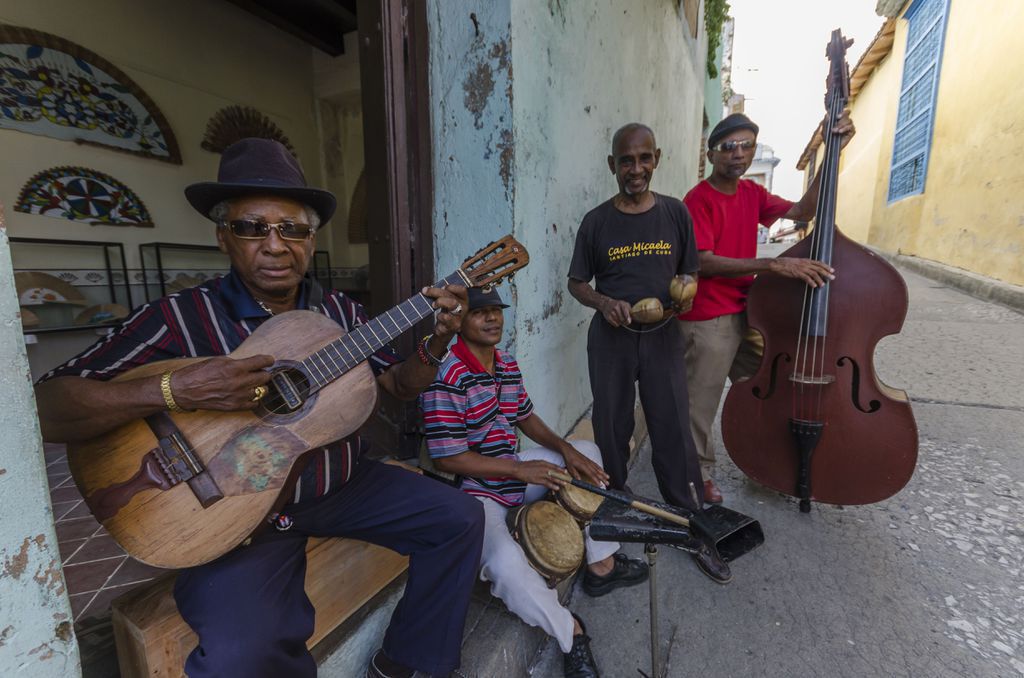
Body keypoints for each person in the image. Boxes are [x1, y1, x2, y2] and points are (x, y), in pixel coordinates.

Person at [34, 138, 484, 678]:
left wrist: (437, 342)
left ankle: (406, 664)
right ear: (223, 236)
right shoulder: (179, 318)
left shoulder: (338, 310)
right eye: (253, 227)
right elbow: (50, 405)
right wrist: (175, 391)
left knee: (458, 517)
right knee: (241, 656)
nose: (275, 244)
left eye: (291, 229)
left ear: (311, 238)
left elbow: (398, 384)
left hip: (338, 488)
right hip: (234, 514)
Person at [420, 286, 649, 678]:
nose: (492, 318)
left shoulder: (504, 363)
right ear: (459, 322)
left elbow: (524, 415)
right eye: (480, 313)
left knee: (588, 457)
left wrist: (566, 449)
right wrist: (519, 471)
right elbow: (447, 456)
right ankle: (570, 633)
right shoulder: (446, 374)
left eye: (497, 310)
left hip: (511, 472)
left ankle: (601, 565)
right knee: (504, 565)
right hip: (473, 495)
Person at [566, 122, 731, 585]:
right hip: (612, 339)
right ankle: (617, 525)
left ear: (656, 158)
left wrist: (685, 296)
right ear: (612, 166)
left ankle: (692, 527)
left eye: (643, 159)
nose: (635, 169)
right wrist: (604, 302)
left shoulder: (676, 214)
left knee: (673, 429)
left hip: (662, 337)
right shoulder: (596, 222)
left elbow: (689, 274)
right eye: (625, 161)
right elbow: (577, 283)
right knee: (611, 430)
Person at [678, 112, 855, 504]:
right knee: (699, 406)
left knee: (769, 388)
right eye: (728, 147)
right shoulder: (699, 199)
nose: (737, 154)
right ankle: (696, 477)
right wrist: (772, 264)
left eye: (746, 146)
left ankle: (768, 464)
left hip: (748, 312)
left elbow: (805, 211)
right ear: (711, 155)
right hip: (708, 318)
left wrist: (834, 152)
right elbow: (702, 261)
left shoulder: (751, 194)